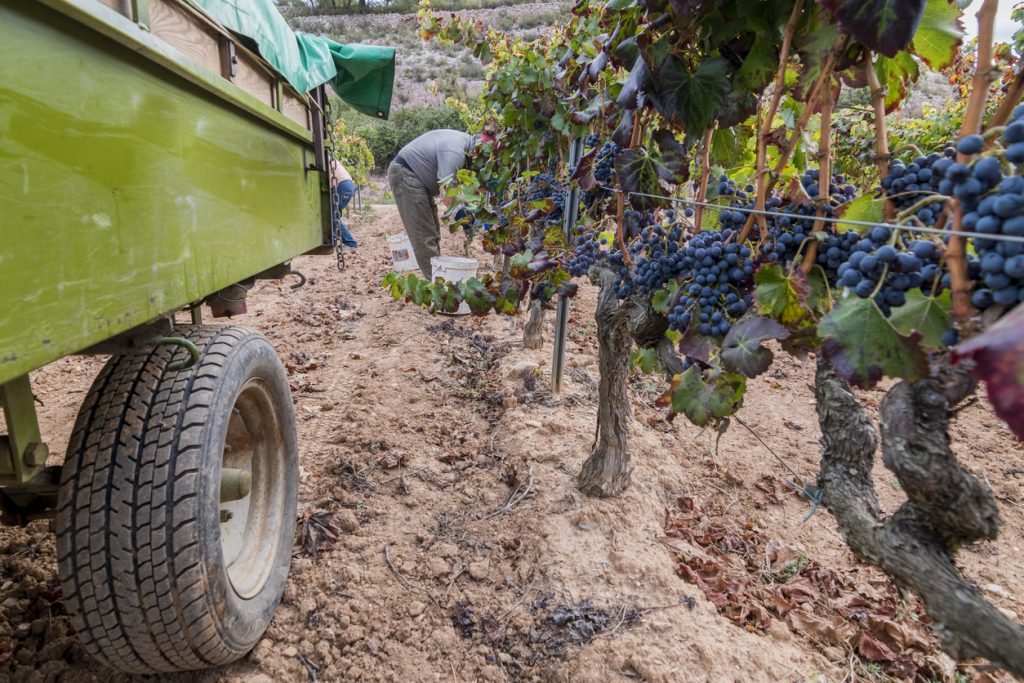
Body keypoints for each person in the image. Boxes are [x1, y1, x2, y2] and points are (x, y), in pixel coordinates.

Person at [387, 129, 477, 276]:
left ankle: (438, 280)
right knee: (424, 237)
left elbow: (466, 190)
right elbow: (446, 191)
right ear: (476, 152)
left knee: (432, 233)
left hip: (417, 178)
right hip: (407, 174)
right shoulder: (456, 152)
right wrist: (463, 217)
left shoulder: (465, 146)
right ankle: (438, 287)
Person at [331, 158, 359, 249]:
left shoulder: (320, 154)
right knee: (333, 215)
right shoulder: (324, 153)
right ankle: (335, 240)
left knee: (333, 216)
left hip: (342, 185)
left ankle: (350, 243)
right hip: (345, 184)